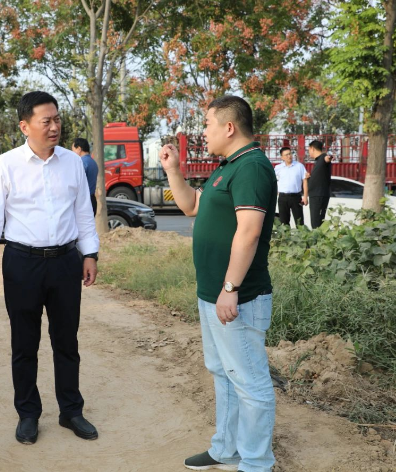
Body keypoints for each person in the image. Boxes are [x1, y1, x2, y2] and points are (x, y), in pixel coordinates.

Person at [160, 95, 277, 472]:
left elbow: (249, 231)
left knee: (250, 381)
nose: (203, 132)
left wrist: (230, 288)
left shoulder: (252, 167)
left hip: (238, 298)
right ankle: (226, 449)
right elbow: (192, 206)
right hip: (213, 295)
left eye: (207, 124)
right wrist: (173, 171)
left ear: (229, 127)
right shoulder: (228, 167)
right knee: (224, 374)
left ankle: (256, 463)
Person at [0, 91, 100, 445]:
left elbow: (83, 213)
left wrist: (89, 254)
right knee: (24, 343)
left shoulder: (72, 163)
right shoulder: (6, 164)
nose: (54, 127)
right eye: (46, 121)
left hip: (65, 262)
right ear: (25, 126)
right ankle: (28, 414)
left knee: (66, 341)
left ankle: (71, 410)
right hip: (22, 263)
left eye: (57, 119)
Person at [274, 146, 308, 227]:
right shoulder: (278, 168)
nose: (289, 156)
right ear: (282, 157)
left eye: (290, 154)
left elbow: (305, 181)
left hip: (296, 197)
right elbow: (273, 181)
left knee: (299, 222)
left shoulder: (299, 166)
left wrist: (305, 197)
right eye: (286, 155)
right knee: (284, 223)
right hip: (283, 198)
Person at [307, 140, 333, 229]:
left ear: (312, 148)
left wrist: (329, 157)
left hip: (319, 195)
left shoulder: (323, 157)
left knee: (317, 223)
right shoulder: (318, 161)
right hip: (315, 195)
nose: (309, 152)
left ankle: (318, 237)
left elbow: (327, 159)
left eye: (309, 150)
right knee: (315, 222)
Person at [72, 138, 99, 215]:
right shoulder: (93, 162)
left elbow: (75, 183)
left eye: (73, 150)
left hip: (83, 202)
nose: (72, 153)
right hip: (92, 200)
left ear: (79, 149)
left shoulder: (81, 163)